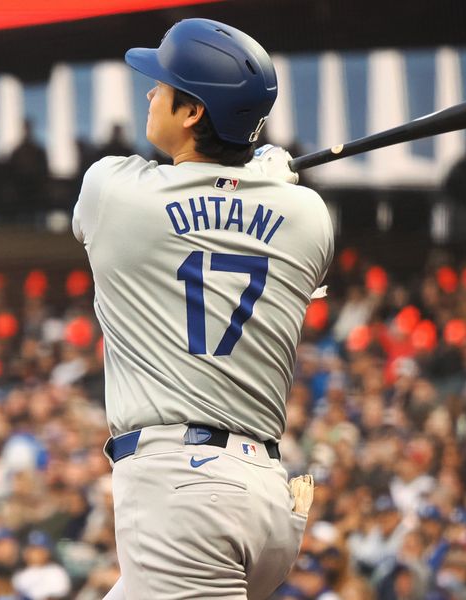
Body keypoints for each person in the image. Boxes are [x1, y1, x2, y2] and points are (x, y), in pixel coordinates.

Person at [72, 18, 333, 599]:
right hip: (265, 498)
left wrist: (245, 177)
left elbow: (176, 200)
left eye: (162, 85)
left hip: (184, 499)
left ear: (193, 113)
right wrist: (257, 181)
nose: (150, 92)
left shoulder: (111, 190)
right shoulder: (308, 215)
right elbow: (249, 220)